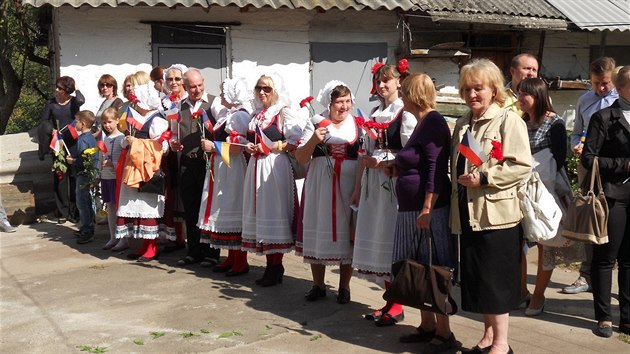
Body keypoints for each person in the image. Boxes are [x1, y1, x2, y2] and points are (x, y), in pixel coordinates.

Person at [452, 59, 531, 354]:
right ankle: (487, 337)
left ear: (494, 89)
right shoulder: (463, 123)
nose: (472, 94)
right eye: (467, 89)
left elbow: (521, 165)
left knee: (495, 283)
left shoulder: (509, 121)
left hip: (497, 216)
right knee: (479, 280)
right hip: (469, 213)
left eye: (478, 88)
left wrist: (485, 177)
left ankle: (501, 344)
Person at [384, 73, 456, 350]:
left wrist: (427, 207)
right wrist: (397, 167)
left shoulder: (434, 122)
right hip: (410, 208)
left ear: (414, 94)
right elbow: (417, 162)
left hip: (427, 210)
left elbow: (436, 170)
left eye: (404, 91)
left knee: (431, 268)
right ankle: (426, 324)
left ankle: (444, 331)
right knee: (413, 267)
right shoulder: (421, 122)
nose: (400, 95)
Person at [352, 61, 416, 326]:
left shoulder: (405, 113)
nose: (381, 86)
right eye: (378, 81)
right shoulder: (375, 111)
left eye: (386, 80)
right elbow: (366, 150)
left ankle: (397, 304)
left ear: (399, 81)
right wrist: (365, 170)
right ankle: (390, 300)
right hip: (374, 185)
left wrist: (387, 163)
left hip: (393, 184)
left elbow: (412, 153)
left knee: (392, 239)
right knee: (378, 235)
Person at [295, 81, 360, 303]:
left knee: (346, 232)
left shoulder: (358, 123)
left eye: (347, 102)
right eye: (339, 102)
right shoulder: (316, 122)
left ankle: (344, 287)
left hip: (348, 185)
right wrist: (315, 139)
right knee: (318, 227)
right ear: (329, 103)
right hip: (320, 186)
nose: (344, 107)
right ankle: (318, 284)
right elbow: (300, 158)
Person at [581, 65, 630, 338]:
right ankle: (603, 317)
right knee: (605, 258)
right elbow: (589, 158)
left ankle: (627, 317)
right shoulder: (604, 117)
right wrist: (625, 165)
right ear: (620, 88)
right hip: (612, 195)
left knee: (629, 261)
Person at [565, 56, 619, 295]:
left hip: (616, 169)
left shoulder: (623, 100)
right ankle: (585, 274)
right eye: (596, 83)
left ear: (614, 79)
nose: (601, 88)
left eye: (605, 83)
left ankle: (612, 272)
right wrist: (577, 144)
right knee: (589, 215)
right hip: (590, 167)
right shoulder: (585, 100)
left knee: (615, 219)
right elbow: (576, 133)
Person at [242, 74, 302, 287]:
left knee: (274, 213)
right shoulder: (257, 114)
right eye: (259, 88)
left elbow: (295, 141)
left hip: (275, 166)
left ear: (275, 90)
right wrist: (249, 145)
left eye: (267, 89)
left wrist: (270, 147)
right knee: (263, 215)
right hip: (257, 165)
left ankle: (275, 266)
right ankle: (272, 265)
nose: (262, 92)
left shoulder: (282, 112)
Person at [517, 78, 569, 316]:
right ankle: (521, 292)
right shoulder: (520, 121)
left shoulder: (555, 123)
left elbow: (559, 159)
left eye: (524, 95)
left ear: (536, 96)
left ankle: (538, 295)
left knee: (545, 243)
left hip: (545, 192)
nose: (519, 99)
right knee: (518, 243)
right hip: (520, 190)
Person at [197, 77, 251, 276]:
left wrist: (214, 147)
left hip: (233, 167)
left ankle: (240, 260)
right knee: (225, 208)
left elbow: (238, 149)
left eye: (223, 92)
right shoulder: (230, 114)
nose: (220, 95)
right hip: (224, 166)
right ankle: (231, 257)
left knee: (233, 207)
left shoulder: (239, 116)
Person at [170, 68, 221, 267]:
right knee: (190, 209)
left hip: (207, 162)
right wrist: (174, 143)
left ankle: (211, 253)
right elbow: (174, 132)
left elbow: (223, 130)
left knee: (208, 208)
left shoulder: (214, 102)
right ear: (185, 86)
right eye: (192, 87)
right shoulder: (178, 106)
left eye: (200, 85)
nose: (197, 90)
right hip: (187, 162)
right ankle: (194, 251)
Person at [116, 80, 170, 262]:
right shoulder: (142, 119)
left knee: (149, 209)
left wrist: (136, 143)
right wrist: (128, 141)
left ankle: (152, 247)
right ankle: (144, 245)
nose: (136, 106)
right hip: (136, 168)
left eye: (138, 103)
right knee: (139, 209)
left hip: (148, 171)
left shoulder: (157, 120)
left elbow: (163, 147)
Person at [38, 76, 85, 224]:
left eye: (60, 88)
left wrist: (76, 88)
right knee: (60, 177)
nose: (57, 90)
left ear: (67, 90)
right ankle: (62, 211)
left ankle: (75, 210)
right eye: (57, 87)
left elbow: (81, 100)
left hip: (72, 141)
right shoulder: (51, 103)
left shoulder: (74, 102)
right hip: (58, 142)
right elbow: (44, 120)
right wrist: (51, 129)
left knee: (74, 176)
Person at [66, 110, 99, 244]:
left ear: (83, 123)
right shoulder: (90, 137)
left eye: (77, 122)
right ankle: (87, 226)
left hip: (84, 174)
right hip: (88, 174)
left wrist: (72, 161)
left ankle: (87, 229)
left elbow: (84, 160)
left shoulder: (84, 140)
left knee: (82, 202)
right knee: (86, 202)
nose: (75, 124)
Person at [99, 107, 127, 251]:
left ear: (117, 120)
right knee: (110, 208)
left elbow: (124, 161)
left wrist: (112, 164)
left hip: (118, 178)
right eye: (104, 123)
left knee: (120, 208)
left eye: (109, 122)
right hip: (106, 177)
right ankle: (113, 237)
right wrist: (99, 173)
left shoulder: (122, 138)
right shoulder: (105, 139)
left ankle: (123, 238)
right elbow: (101, 157)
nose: (107, 125)